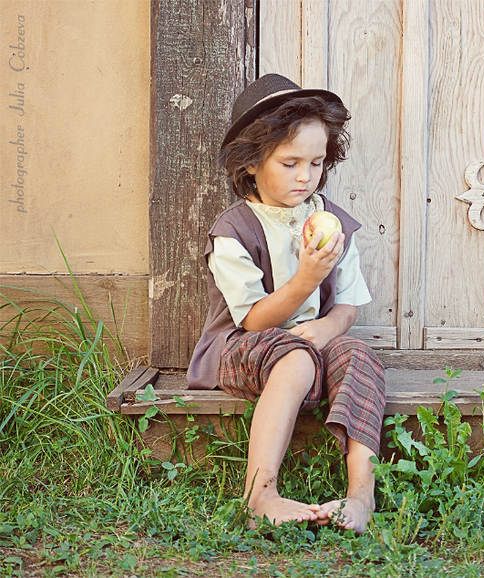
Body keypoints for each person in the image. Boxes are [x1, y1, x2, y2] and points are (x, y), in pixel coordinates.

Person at [186, 73, 386, 534]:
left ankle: (361, 495)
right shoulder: (234, 231)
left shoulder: (330, 222)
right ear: (252, 163)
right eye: (290, 162)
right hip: (243, 347)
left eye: (316, 163)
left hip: (311, 343)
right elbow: (254, 319)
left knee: (360, 356)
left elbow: (348, 307)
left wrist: (328, 329)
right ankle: (261, 493)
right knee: (294, 358)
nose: (305, 176)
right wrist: (306, 279)